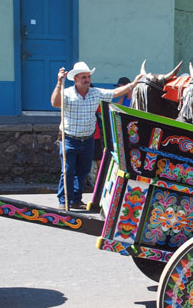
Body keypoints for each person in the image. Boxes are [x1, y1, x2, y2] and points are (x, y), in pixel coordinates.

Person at [51, 62, 143, 210]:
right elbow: (55, 103)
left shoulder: (96, 93)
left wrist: (133, 83)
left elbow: (115, 93)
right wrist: (59, 82)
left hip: (87, 139)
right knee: (68, 170)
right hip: (69, 138)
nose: (87, 80)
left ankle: (75, 199)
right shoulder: (66, 92)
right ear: (75, 79)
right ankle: (64, 200)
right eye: (84, 77)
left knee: (83, 170)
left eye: (88, 77)